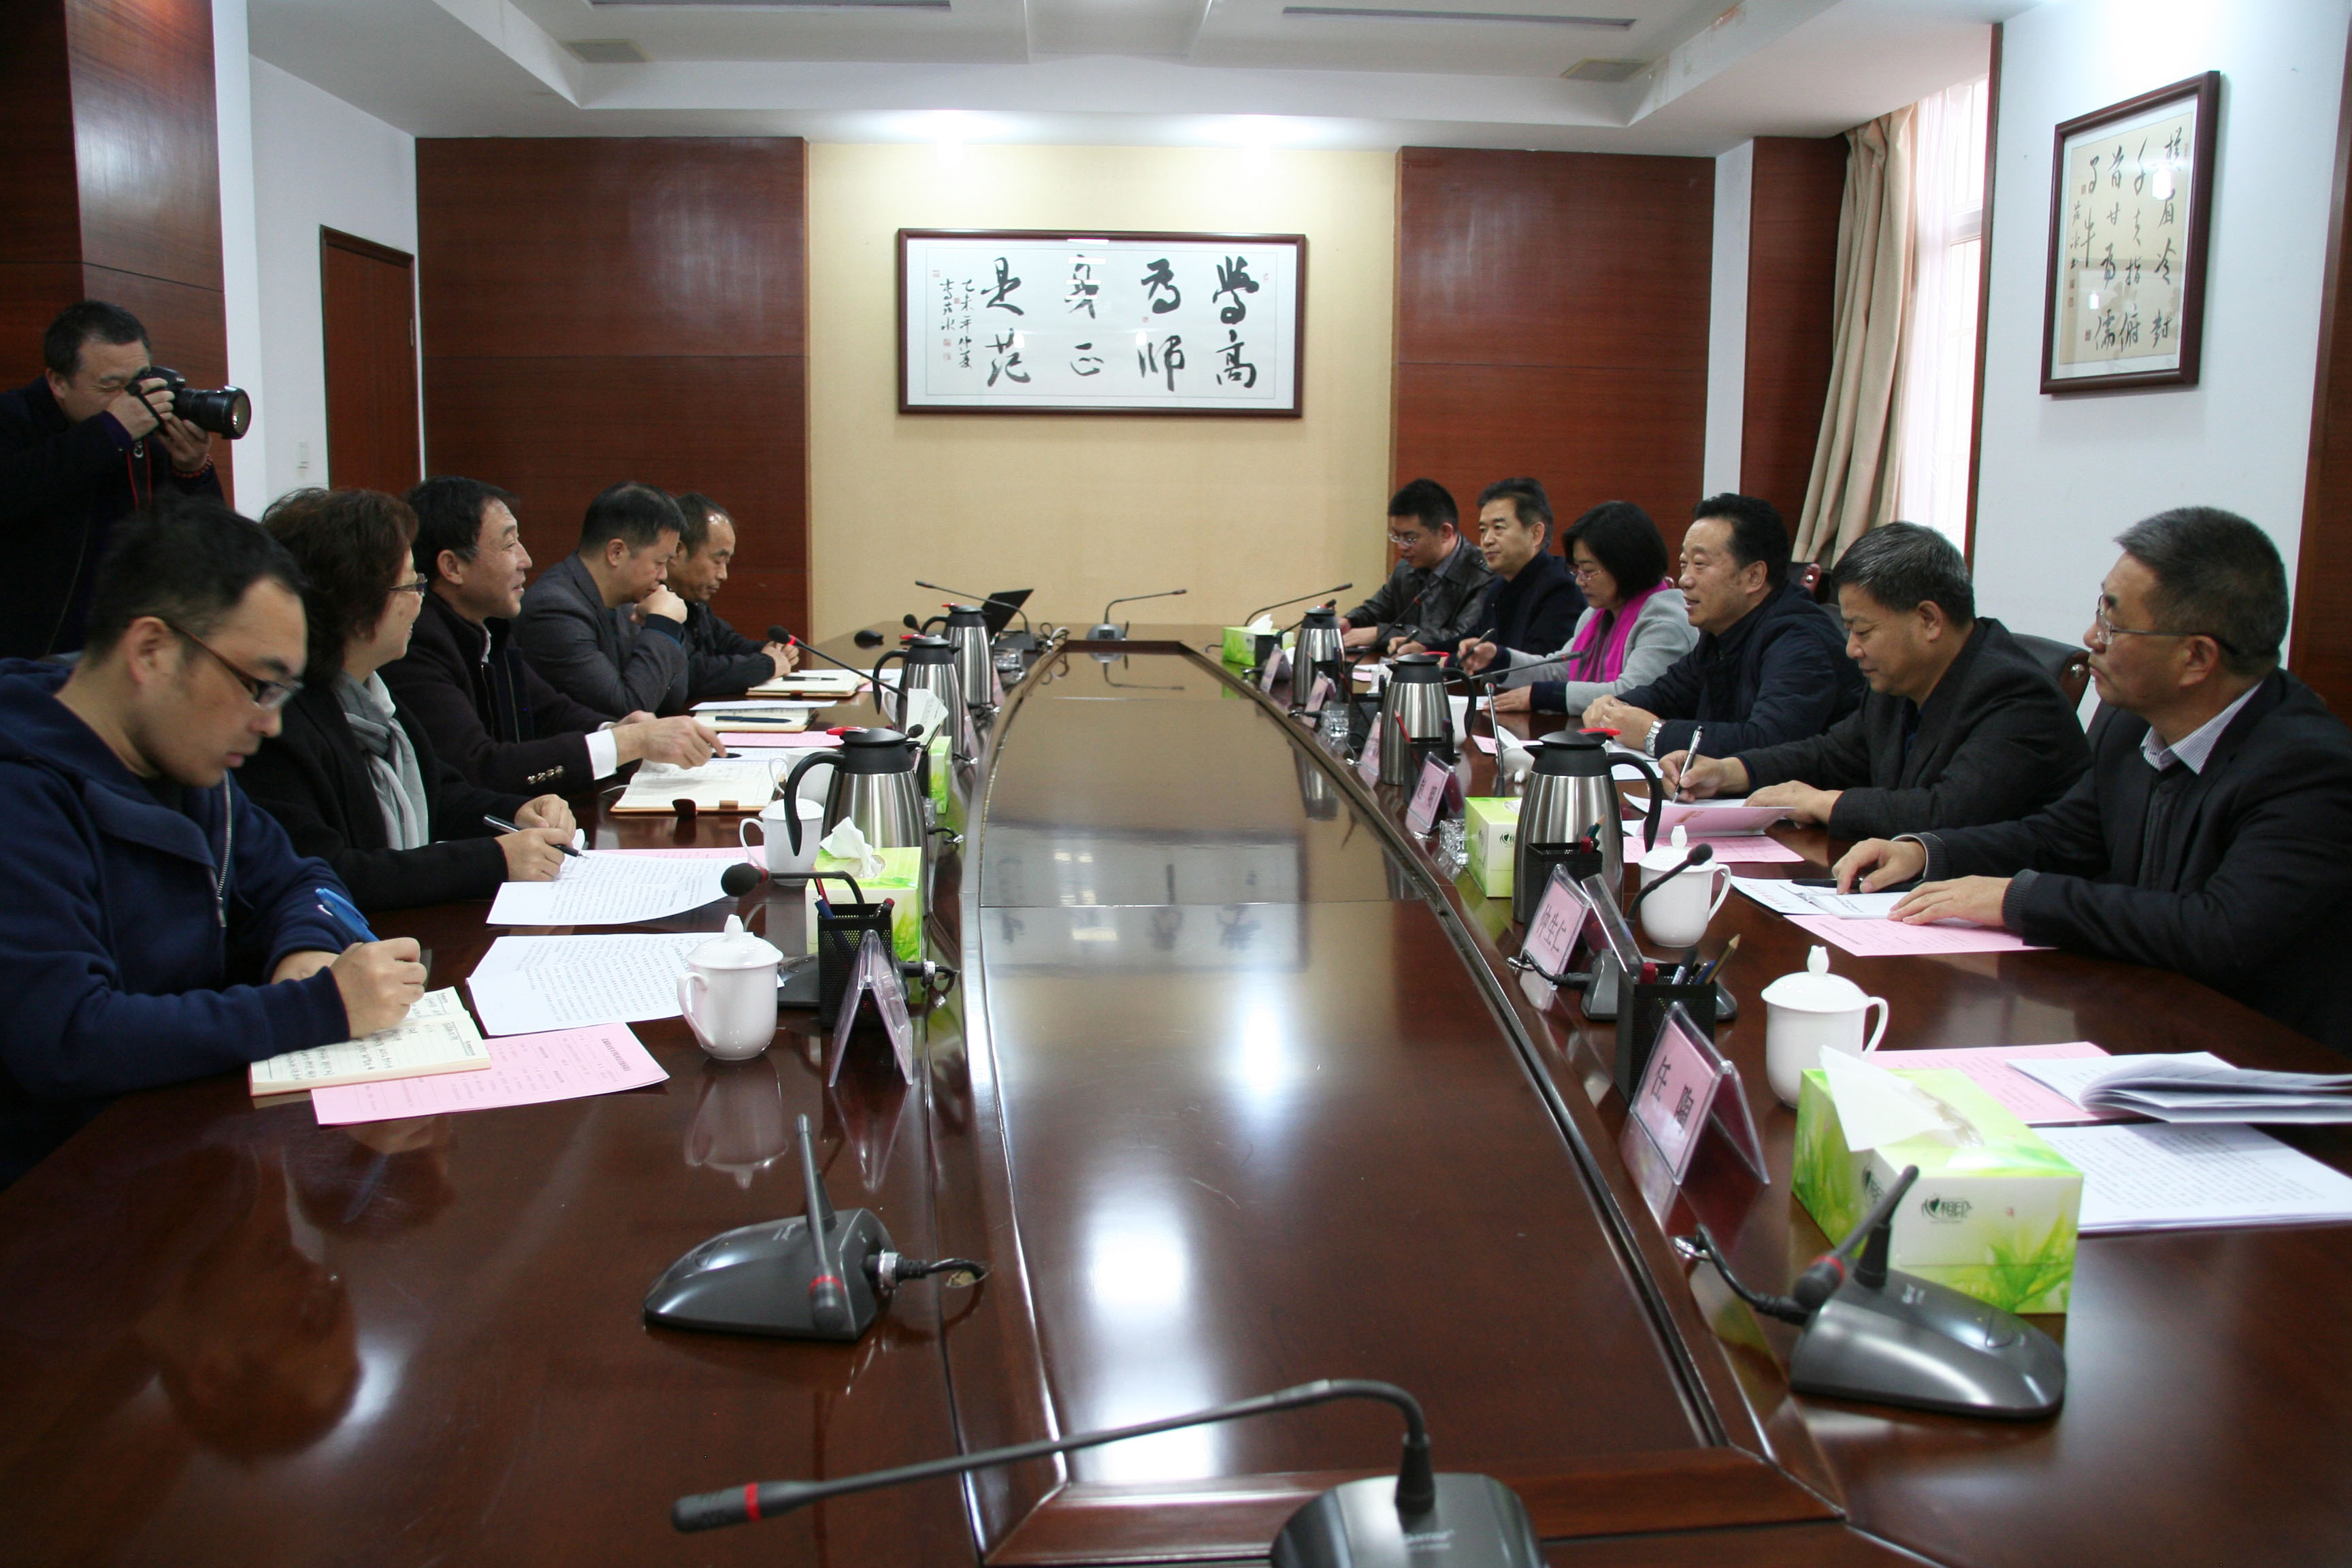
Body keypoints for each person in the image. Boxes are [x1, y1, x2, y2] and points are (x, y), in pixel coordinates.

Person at [0, 498, 423, 1184]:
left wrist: (305, 950)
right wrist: (317, 1006)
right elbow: (68, 1038)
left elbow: (304, 879)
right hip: (62, 1197)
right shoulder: (23, 794)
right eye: (257, 685)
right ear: (151, 651)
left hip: (188, 1152)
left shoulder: (188, 764)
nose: (271, 724)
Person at [1836, 508, 2352, 1051]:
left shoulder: (2308, 768)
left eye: (2113, 624)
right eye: (2099, 610)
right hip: (2138, 1015)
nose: (2090, 638)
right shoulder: (2131, 724)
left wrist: (2019, 899)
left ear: (2196, 658)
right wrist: (1926, 852)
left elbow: (2219, 932)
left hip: (2261, 1057)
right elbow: (2059, 837)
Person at [238, 489, 578, 912]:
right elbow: (331, 872)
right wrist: (493, 860)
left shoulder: (374, 697)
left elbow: (441, 795)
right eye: (412, 585)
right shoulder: (282, 724)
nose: (421, 600)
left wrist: (520, 811)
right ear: (356, 602)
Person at [1665, 522, 2089, 838]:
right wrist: (1730, 771)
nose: (1852, 649)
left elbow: (1948, 812)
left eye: (1863, 631)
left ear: (1928, 620)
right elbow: (1832, 754)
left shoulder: (2013, 694)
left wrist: (1825, 802)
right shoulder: (1900, 679)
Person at [383, 477, 721, 794]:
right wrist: (630, 741)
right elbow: (479, 766)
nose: (526, 560)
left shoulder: (488, 629)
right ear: (452, 567)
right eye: (509, 544)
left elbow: (548, 711)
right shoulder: (417, 642)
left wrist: (618, 730)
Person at [0, 301, 225, 659]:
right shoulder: (14, 419)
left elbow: (208, 543)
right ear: (58, 382)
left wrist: (193, 471)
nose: (131, 399)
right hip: (30, 658)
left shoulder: (147, 431)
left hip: (127, 650)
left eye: (138, 381)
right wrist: (110, 432)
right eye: (110, 386)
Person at [1584, 493, 1862, 755]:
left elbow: (1769, 742)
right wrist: (1617, 706)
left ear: (1754, 576)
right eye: (1684, 564)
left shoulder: (1801, 641)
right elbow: (1668, 694)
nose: (1685, 580)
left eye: (1700, 564)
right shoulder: (1722, 631)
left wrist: (1655, 733)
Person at [1460, 501, 1696, 717]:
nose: (1579, 581)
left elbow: (1632, 693)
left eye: (1589, 571)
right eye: (1577, 569)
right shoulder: (1597, 614)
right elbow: (1560, 671)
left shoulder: (1665, 622)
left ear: (1626, 566)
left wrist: (1545, 696)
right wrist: (1499, 658)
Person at [513, 482, 691, 718]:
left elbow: (673, 698)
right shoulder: (554, 610)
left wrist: (668, 626)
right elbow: (627, 711)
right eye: (659, 563)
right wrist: (663, 625)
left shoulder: (628, 601)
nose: (664, 575)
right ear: (616, 552)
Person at [1426, 478, 1582, 662]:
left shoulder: (1561, 589)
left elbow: (1538, 665)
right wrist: (1426, 650)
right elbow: (1477, 639)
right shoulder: (1500, 585)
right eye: (1483, 530)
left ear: (1536, 534)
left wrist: (1446, 663)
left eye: (1498, 528)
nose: (1487, 540)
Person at [669, 491, 799, 701]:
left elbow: (728, 643)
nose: (724, 575)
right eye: (717, 561)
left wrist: (769, 650)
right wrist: (767, 664)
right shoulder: (648, 603)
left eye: (727, 563)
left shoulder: (692, 602)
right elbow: (689, 673)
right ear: (677, 551)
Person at [1338, 478, 1492, 655]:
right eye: (1396, 536)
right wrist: (1350, 621)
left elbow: (1462, 638)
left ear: (1445, 532)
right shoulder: (1406, 568)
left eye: (1410, 538)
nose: (1401, 546)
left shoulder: (1483, 574)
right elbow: (1378, 609)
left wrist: (1380, 634)